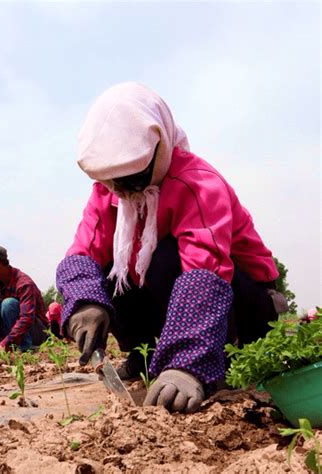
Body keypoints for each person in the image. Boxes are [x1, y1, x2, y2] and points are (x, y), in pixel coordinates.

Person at [56, 82, 289, 414]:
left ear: (160, 147)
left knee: (164, 260)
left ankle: (210, 360)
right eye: (111, 181)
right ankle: (146, 356)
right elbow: (82, 252)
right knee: (111, 275)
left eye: (133, 180)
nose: (123, 192)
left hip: (244, 304)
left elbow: (204, 270)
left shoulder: (196, 183)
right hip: (179, 296)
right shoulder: (109, 194)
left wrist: (187, 363)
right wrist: (85, 303)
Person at [0, 244, 49, 356]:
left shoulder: (24, 284)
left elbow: (26, 319)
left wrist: (4, 344)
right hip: (14, 333)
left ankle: (25, 348)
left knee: (8, 304)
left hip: (36, 333)